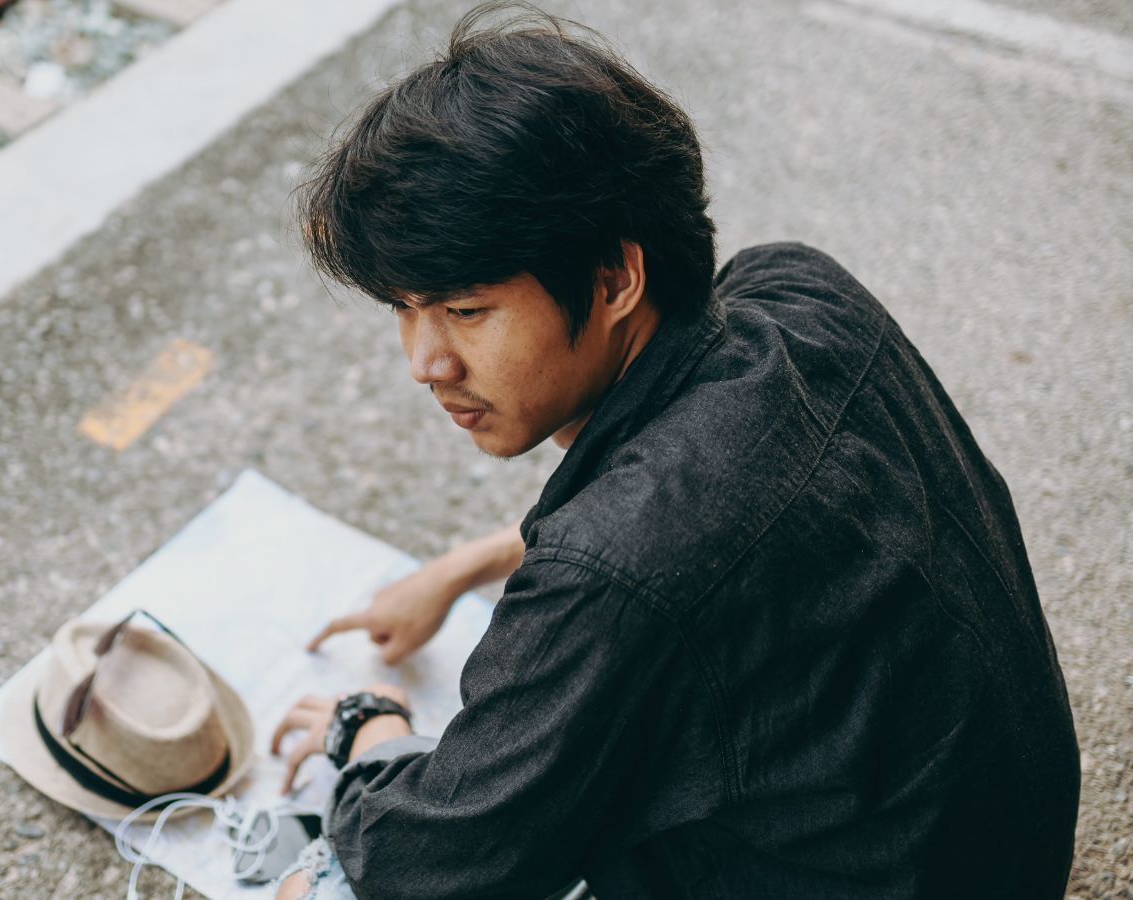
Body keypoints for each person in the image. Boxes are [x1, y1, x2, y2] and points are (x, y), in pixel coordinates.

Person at [266, 2, 1081, 898]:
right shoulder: (801, 293)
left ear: (615, 277)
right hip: (999, 844)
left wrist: (368, 726)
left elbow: (431, 859)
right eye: (402, 308)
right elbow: (710, 521)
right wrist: (468, 563)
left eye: (464, 310)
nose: (426, 362)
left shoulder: (609, 576)